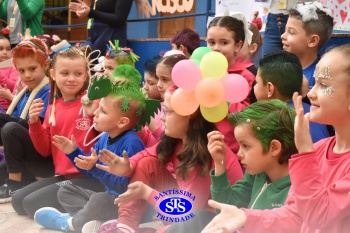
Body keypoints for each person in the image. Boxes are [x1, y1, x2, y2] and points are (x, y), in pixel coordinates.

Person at [202, 44, 350, 233]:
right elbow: (295, 216)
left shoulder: (311, 151)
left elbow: (318, 216)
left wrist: (305, 152)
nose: (311, 93)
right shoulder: (320, 148)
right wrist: (245, 217)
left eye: (324, 85)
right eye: (315, 84)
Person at [95, 85, 243, 233]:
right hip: (182, 215)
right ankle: (125, 227)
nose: (161, 117)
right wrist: (129, 166)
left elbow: (188, 212)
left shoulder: (205, 152)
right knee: (147, 164)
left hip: (207, 223)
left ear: (189, 114)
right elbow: (147, 155)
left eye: (168, 111)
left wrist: (147, 193)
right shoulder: (178, 140)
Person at [34, 69, 147, 232]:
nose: (95, 113)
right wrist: (73, 151)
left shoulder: (131, 143)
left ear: (122, 122)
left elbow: (126, 188)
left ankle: (71, 224)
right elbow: (89, 169)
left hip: (125, 206)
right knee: (66, 190)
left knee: (100, 199)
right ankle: (91, 221)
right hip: (107, 198)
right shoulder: (103, 137)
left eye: (103, 111)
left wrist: (96, 168)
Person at [164, 99, 297, 233]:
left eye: (246, 146)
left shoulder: (297, 190)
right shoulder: (258, 175)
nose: (239, 154)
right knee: (195, 219)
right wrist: (219, 163)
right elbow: (226, 206)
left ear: (274, 147)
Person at [11, 46, 105, 217]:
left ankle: (87, 209)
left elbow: (109, 136)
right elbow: (45, 149)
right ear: (53, 74)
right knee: (18, 201)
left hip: (90, 177)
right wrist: (34, 124)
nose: (71, 79)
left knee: (31, 204)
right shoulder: (53, 108)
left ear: (85, 75)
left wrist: (96, 116)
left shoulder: (92, 102)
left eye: (78, 74)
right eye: (65, 73)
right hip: (64, 176)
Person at [0, 38, 51, 202]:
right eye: (21, 71)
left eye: (32, 69)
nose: (27, 75)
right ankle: (20, 181)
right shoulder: (26, 92)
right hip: (26, 155)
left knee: (9, 129)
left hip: (44, 162)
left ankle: (15, 186)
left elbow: (33, 128)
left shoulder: (48, 90)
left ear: (45, 65)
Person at [254, 50, 330, 142]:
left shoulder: (271, 121)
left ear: (270, 89)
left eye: (257, 82)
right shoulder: (314, 111)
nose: (254, 87)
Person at [281, 2, 333, 92]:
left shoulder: (321, 77)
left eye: (291, 32)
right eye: (285, 30)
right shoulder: (278, 69)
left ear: (312, 41)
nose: (282, 36)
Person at [207, 13, 256, 106]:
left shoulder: (246, 77)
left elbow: (247, 113)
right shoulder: (200, 70)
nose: (216, 48)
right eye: (212, 42)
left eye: (224, 42)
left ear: (237, 46)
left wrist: (222, 98)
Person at [69, 0, 133, 56]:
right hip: (94, 36)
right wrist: (84, 10)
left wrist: (90, 12)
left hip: (111, 38)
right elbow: (97, 11)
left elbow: (119, 19)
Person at [0, 27, 19, 110]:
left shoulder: (13, 66)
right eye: (0, 49)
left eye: (8, 49)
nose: (5, 52)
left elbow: (13, 87)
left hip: (7, 108)